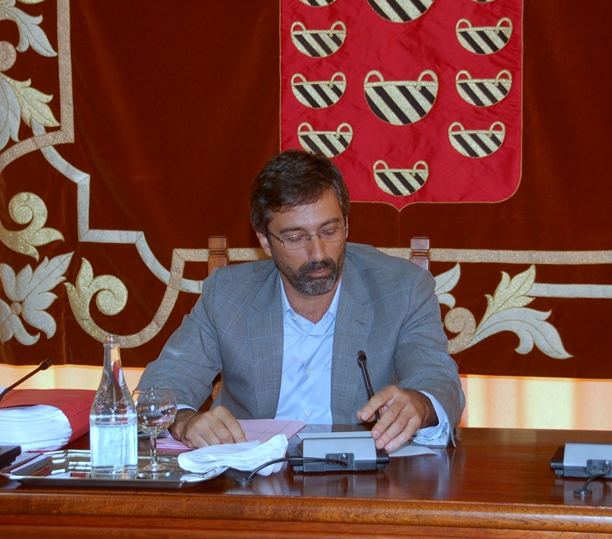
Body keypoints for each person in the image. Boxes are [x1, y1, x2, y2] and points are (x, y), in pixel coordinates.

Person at [137, 150, 464, 452]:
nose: (318, 253)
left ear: (347, 225)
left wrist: (421, 405)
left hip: (361, 477)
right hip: (252, 480)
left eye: (329, 231)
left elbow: (438, 380)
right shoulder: (228, 295)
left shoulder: (402, 288)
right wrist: (185, 422)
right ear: (265, 241)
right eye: (295, 238)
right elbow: (163, 385)